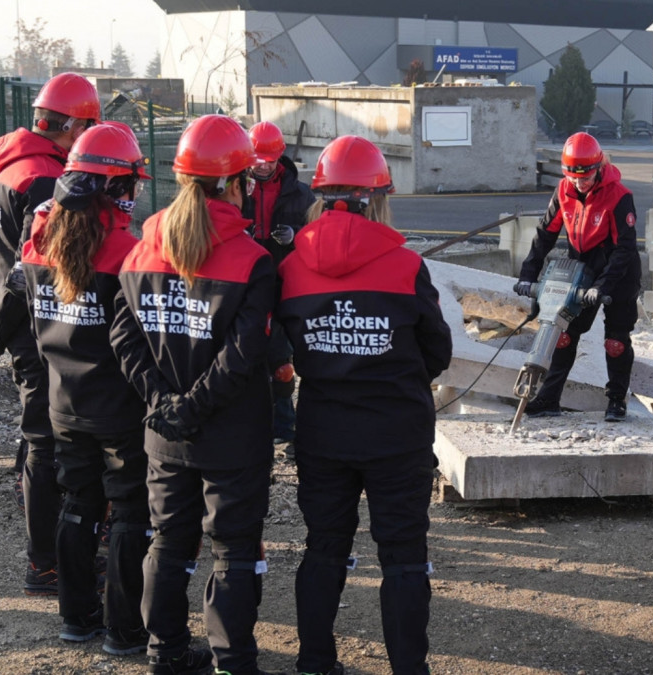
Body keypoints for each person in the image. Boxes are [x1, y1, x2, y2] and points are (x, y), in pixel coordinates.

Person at [276, 135, 451, 675]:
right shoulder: (404, 266)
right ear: (377, 198)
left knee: (324, 546)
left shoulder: (290, 267)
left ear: (321, 195)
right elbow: (437, 352)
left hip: (324, 430)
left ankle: (314, 661)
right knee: (403, 556)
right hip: (397, 433)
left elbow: (280, 344)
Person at [110, 114, 277, 675]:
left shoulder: (143, 248)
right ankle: (232, 661)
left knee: (168, 543)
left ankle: (165, 655)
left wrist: (163, 405)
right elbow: (243, 354)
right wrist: (193, 406)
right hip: (231, 437)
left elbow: (123, 338)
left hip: (165, 437)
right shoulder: (253, 260)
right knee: (231, 551)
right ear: (235, 184)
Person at [21, 122, 152, 653]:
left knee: (77, 504)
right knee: (127, 513)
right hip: (119, 409)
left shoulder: (37, 249)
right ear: (114, 189)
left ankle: (76, 619)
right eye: (131, 185)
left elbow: (24, 326)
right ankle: (124, 630)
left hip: (62, 403)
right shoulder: (126, 254)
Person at [0, 71, 101, 596]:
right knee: (47, 441)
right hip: (37, 325)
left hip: (14, 321)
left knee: (38, 439)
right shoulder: (44, 178)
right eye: (90, 128)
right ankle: (46, 563)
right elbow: (26, 268)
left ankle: (47, 550)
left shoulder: (2, 170)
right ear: (72, 124)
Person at [514, 131, 640, 421]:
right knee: (564, 332)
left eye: (585, 177)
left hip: (618, 271)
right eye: (574, 177)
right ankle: (549, 398)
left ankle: (617, 401)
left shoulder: (620, 196)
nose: (580, 183)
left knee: (616, 340)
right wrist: (528, 275)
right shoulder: (563, 191)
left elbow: (625, 248)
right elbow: (545, 234)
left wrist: (601, 286)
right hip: (581, 264)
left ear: (598, 169)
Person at [242, 120, 314, 448]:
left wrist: (295, 236)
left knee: (281, 358)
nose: (262, 168)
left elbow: (317, 234)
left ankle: (284, 426)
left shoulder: (300, 195)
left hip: (283, 278)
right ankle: (251, 421)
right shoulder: (236, 185)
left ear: (279, 158)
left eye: (268, 162)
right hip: (245, 278)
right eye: (256, 162)